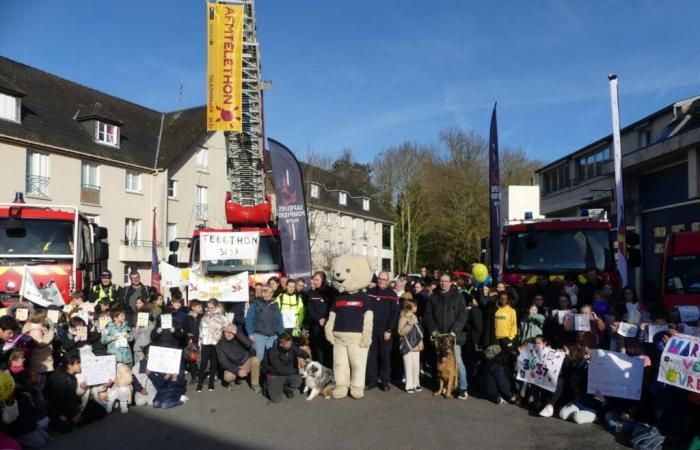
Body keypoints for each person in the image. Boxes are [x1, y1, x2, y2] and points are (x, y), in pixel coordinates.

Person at [423, 274, 469, 399]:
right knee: (440, 362)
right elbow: (428, 315)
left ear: (450, 282)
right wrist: (433, 330)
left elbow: (462, 316)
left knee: (457, 362)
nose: (443, 283)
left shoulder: (458, 297)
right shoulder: (433, 297)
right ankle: (442, 385)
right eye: (441, 281)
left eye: (446, 281)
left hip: (454, 336)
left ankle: (463, 388)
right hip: (439, 336)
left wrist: (454, 331)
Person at [44, 355, 106, 432]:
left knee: (101, 412)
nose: (80, 365)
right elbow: (60, 400)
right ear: (70, 365)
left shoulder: (70, 375)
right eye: (78, 363)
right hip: (59, 409)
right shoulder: (61, 379)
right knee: (69, 426)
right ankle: (51, 423)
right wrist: (74, 413)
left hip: (75, 404)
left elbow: (73, 397)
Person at [366, 271, 400, 391]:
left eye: (384, 279)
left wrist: (389, 330)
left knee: (385, 356)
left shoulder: (392, 294)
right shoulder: (370, 293)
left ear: (388, 281)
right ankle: (372, 380)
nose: (381, 281)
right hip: (371, 330)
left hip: (385, 331)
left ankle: (385, 381)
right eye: (380, 278)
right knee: (371, 356)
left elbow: (394, 314)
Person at [261, 332, 309, 403]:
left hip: (288, 373)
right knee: (276, 400)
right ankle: (267, 386)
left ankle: (287, 389)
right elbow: (280, 370)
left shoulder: (291, 346)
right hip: (275, 375)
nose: (291, 344)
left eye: (291, 342)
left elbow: (301, 352)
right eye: (288, 343)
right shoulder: (273, 352)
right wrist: (297, 371)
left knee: (298, 379)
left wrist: (307, 357)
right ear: (281, 344)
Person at [216, 324, 261, 393]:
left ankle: (255, 384)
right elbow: (223, 362)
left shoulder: (239, 338)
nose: (228, 334)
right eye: (227, 332)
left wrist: (237, 333)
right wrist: (237, 370)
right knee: (228, 377)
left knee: (256, 360)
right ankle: (230, 383)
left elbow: (249, 344)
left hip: (245, 362)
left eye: (231, 332)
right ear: (224, 332)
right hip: (233, 366)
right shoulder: (220, 344)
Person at [197, 298, 228, 392]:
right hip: (205, 342)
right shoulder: (204, 316)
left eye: (211, 307)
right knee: (203, 363)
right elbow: (201, 330)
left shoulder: (222, 317)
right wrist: (200, 342)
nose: (209, 309)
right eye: (208, 307)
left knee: (214, 362)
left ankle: (211, 383)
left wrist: (221, 339)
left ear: (216, 306)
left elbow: (226, 329)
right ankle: (200, 383)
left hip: (215, 343)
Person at [246, 286, 284, 360]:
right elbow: (249, 319)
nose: (269, 294)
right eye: (267, 292)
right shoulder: (256, 303)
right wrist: (250, 333)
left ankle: (271, 372)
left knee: (273, 358)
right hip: (259, 335)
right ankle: (259, 371)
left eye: (271, 292)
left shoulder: (275, 304)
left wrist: (281, 333)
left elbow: (279, 319)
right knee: (259, 358)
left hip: (273, 335)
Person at [306, 271, 332, 366]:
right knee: (318, 349)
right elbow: (310, 309)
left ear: (323, 280)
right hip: (316, 326)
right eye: (314, 280)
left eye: (317, 280)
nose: (315, 282)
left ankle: (330, 370)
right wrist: (318, 319)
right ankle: (321, 370)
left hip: (329, 325)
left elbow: (333, 308)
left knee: (329, 348)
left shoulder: (330, 292)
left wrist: (327, 318)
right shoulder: (312, 293)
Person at [397, 299, 423, 393]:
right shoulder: (403, 317)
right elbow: (400, 332)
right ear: (409, 307)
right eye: (414, 306)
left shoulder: (415, 316)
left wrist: (420, 344)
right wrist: (409, 325)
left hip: (416, 345)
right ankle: (409, 385)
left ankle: (416, 383)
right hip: (407, 345)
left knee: (416, 365)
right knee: (408, 365)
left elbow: (418, 332)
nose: (416, 307)